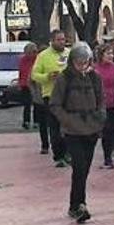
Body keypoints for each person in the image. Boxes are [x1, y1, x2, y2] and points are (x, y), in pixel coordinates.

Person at [50, 42, 106, 224]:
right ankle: (78, 204)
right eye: (79, 62)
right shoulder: (64, 78)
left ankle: (77, 203)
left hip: (91, 127)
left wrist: (99, 118)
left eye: (86, 62)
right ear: (72, 61)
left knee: (85, 168)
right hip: (73, 130)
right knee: (79, 167)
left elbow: (101, 100)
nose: (82, 66)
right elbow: (55, 104)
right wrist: (68, 120)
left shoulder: (94, 77)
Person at [32, 30, 71, 167]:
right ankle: (58, 155)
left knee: (69, 125)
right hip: (51, 95)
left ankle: (68, 153)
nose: (62, 42)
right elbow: (34, 75)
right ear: (52, 41)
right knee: (54, 126)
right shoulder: (43, 56)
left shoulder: (69, 53)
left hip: (69, 95)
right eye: (59, 40)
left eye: (63, 39)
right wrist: (47, 77)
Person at [93, 44, 114, 170]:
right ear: (100, 55)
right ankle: (107, 158)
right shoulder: (95, 69)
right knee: (106, 131)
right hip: (102, 104)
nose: (111, 56)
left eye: (111, 53)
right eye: (107, 53)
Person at [18, 43, 38, 130]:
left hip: (35, 83)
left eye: (32, 52)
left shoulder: (37, 59)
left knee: (37, 103)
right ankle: (26, 121)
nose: (30, 54)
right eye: (28, 52)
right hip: (25, 84)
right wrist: (20, 83)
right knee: (27, 104)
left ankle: (37, 121)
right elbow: (21, 72)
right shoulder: (23, 60)